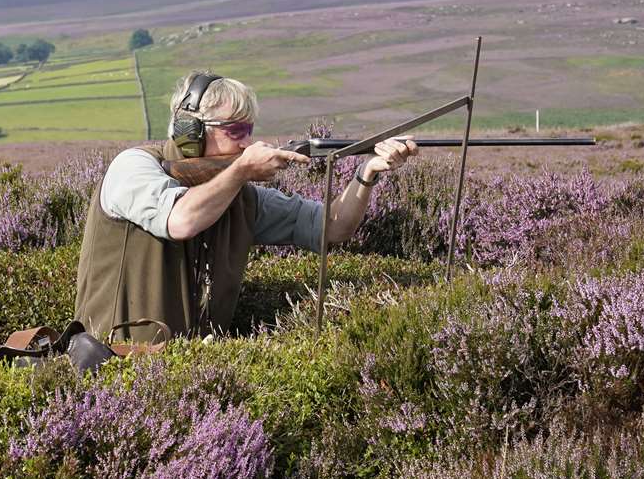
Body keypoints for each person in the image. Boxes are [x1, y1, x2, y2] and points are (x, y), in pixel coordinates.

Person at [73, 71, 418, 341]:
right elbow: (180, 220)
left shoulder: (241, 197)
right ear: (189, 130)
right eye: (235, 130)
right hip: (112, 363)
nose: (247, 141)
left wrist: (366, 172)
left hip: (189, 373)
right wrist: (241, 171)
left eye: (249, 129)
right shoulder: (132, 168)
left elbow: (333, 227)